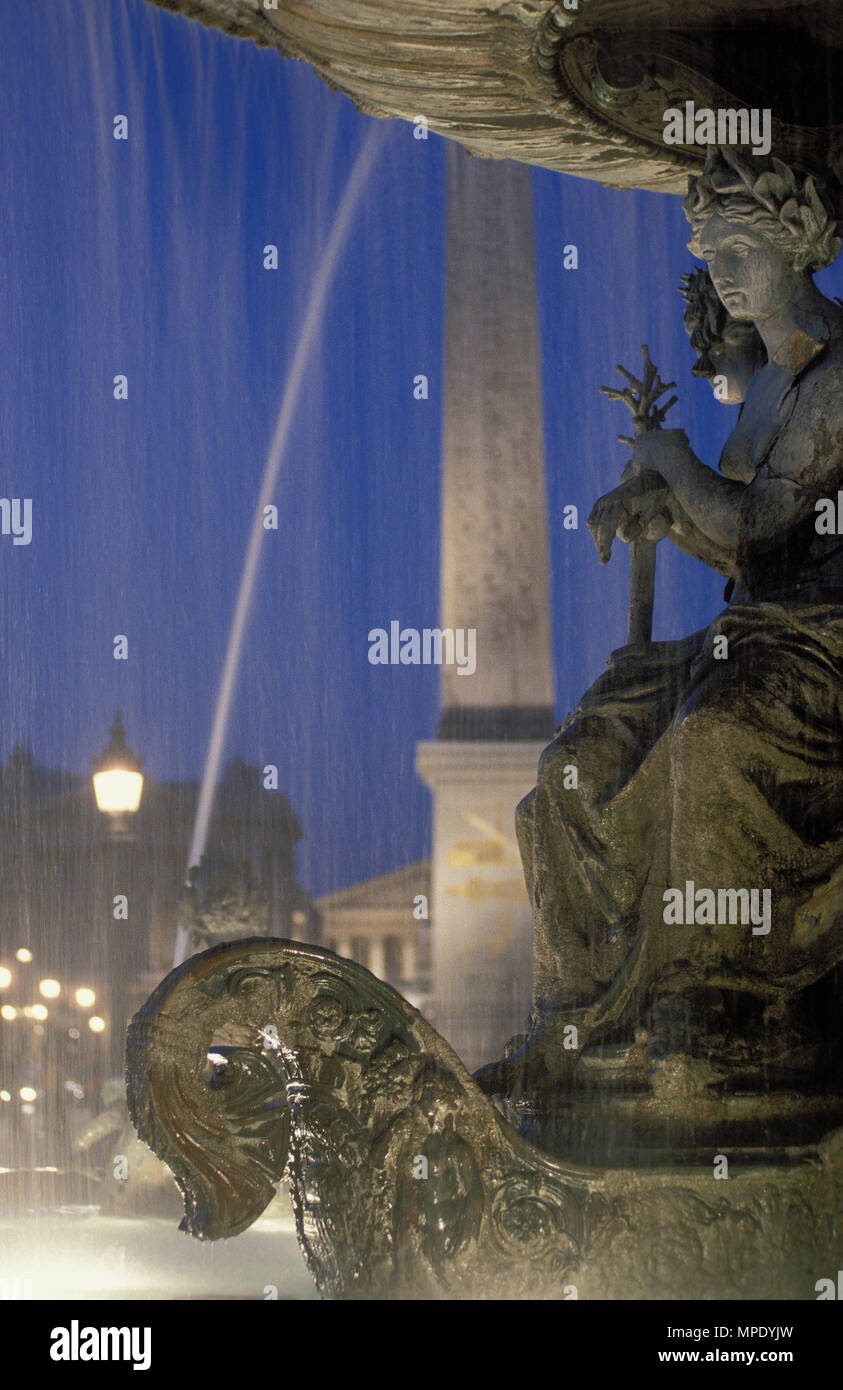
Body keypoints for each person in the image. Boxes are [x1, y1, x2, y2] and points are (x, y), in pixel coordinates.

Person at [476, 147, 843, 1096]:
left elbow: (760, 518)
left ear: (798, 246)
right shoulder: (765, 381)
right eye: (708, 250)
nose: (718, 270)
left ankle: (713, 1002)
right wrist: (664, 513)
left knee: (705, 747)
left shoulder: (835, 375)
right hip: (754, 629)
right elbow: (741, 550)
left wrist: (672, 461)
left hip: (819, 644)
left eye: (738, 247)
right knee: (576, 762)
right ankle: (572, 1018)